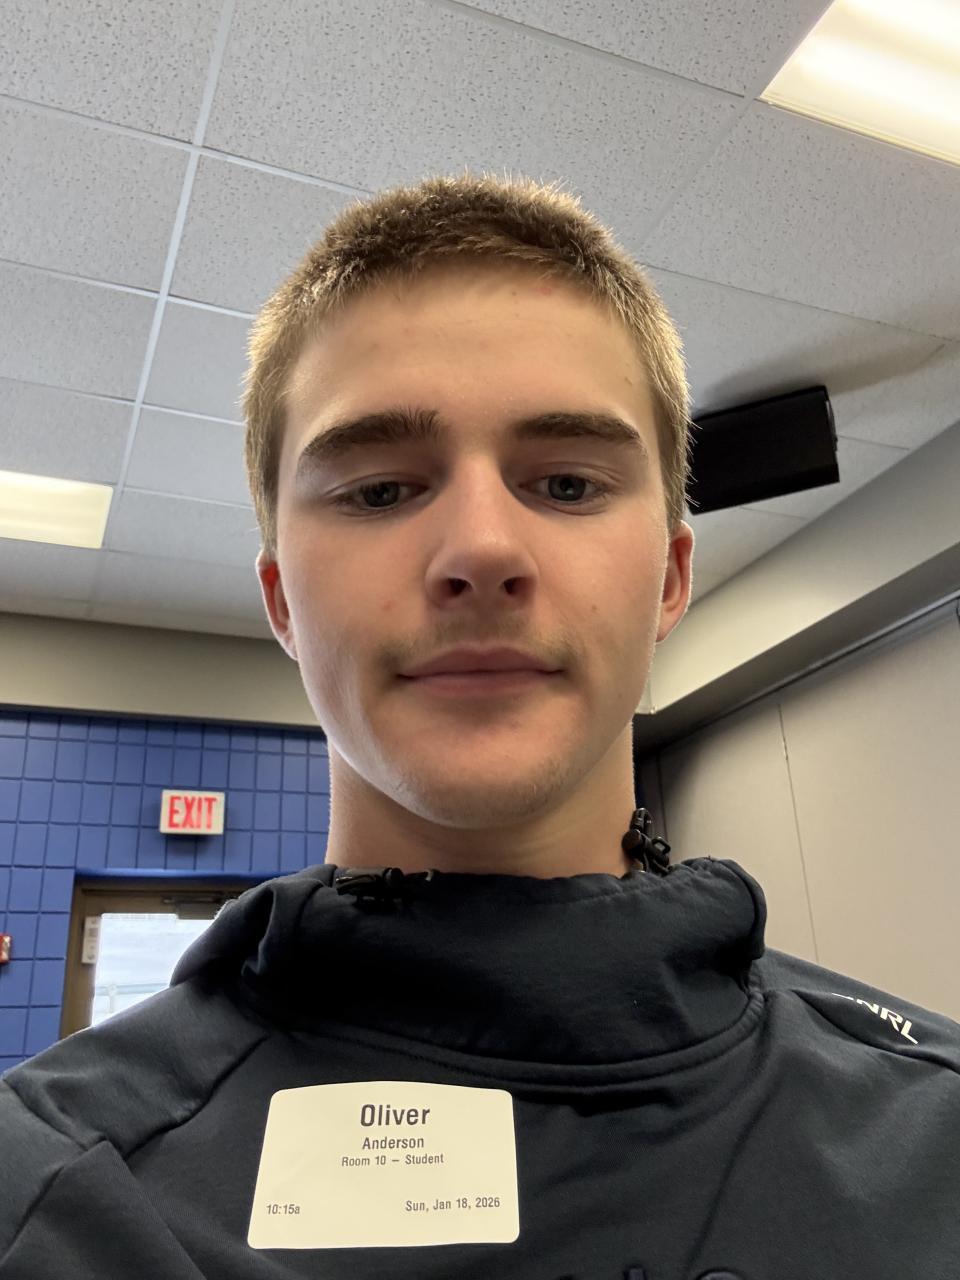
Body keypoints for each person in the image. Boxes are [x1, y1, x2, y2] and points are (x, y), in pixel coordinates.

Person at [1, 171, 957, 1279]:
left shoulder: (933, 1137)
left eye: (566, 483)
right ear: (281, 602)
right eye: (378, 490)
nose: (483, 551)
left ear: (668, 579)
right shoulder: (51, 1197)